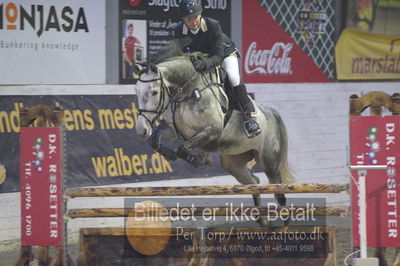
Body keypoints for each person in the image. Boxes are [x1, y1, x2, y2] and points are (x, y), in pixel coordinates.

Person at [174, 0, 261, 138]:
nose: (193, 21)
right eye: (188, 19)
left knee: (233, 76)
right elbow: (181, 53)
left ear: (200, 14)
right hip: (202, 58)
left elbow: (218, 56)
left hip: (224, 53)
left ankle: (248, 118)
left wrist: (204, 64)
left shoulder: (213, 25)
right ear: (183, 19)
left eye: (195, 17)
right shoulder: (179, 30)